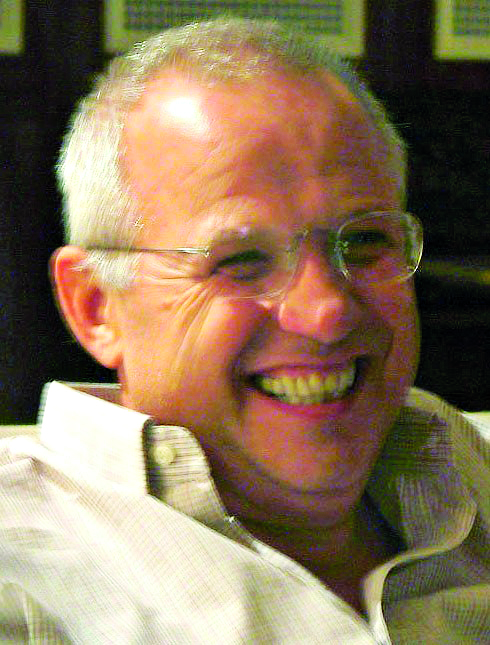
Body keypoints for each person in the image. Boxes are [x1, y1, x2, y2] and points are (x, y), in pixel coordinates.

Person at [1, 17, 489, 644]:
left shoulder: (461, 464)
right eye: (242, 260)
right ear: (96, 306)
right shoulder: (25, 580)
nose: (326, 310)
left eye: (365, 241)